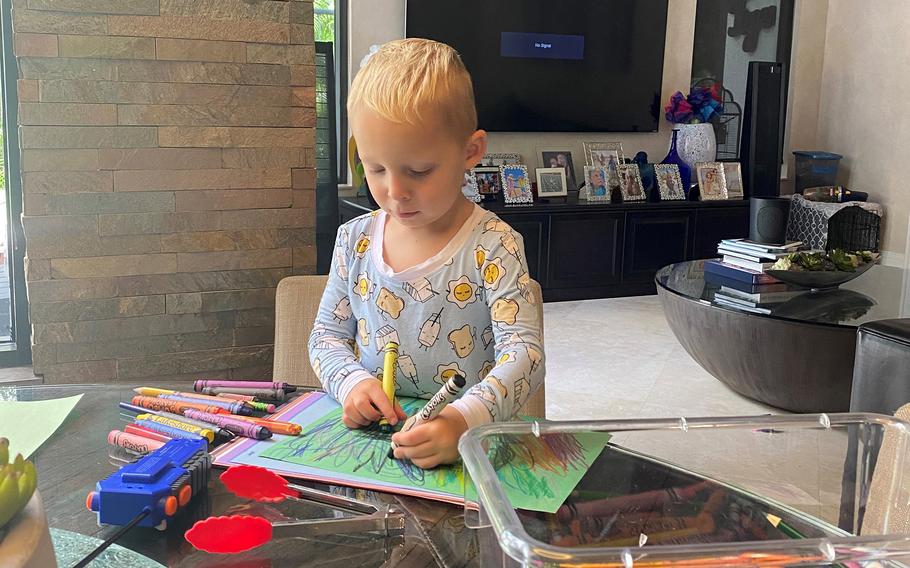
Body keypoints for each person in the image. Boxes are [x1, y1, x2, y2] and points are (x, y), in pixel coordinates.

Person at [310, 38, 545, 469]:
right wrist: (352, 384)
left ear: (471, 151)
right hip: (370, 448)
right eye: (375, 168)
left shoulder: (494, 245)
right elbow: (325, 337)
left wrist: (461, 419)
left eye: (419, 171)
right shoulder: (354, 239)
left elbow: (525, 356)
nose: (394, 192)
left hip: (466, 449)